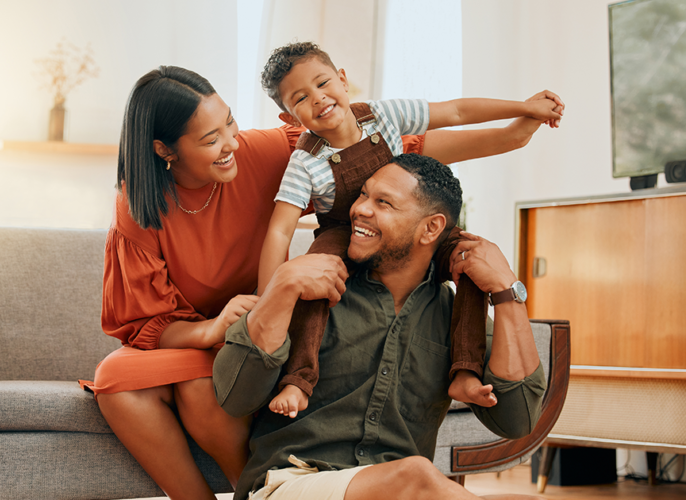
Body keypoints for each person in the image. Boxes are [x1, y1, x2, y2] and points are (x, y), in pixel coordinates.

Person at [87, 65, 554, 500]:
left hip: (267, 335)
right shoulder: (142, 207)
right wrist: (274, 293)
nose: (232, 142)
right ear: (164, 150)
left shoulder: (271, 151)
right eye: (211, 138)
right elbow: (155, 326)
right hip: (229, 330)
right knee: (123, 377)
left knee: (200, 387)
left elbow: (386, 150)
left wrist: (514, 138)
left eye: (230, 123)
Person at [256, 41, 563, 418]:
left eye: (322, 83)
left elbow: (456, 110)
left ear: (342, 79)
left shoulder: (383, 116)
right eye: (301, 98)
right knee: (313, 279)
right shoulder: (305, 162)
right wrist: (267, 297)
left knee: (471, 258)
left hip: (408, 218)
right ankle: (299, 378)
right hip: (344, 230)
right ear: (290, 118)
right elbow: (279, 232)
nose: (318, 99)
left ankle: (465, 370)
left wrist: (524, 107)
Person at [214, 153, 546, 500]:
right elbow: (235, 396)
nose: (360, 209)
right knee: (417, 476)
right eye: (363, 195)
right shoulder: (309, 287)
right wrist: (281, 286)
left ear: (431, 228)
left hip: (392, 490)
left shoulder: (456, 319)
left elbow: (517, 419)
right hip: (290, 483)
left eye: (383, 202)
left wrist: (507, 291)